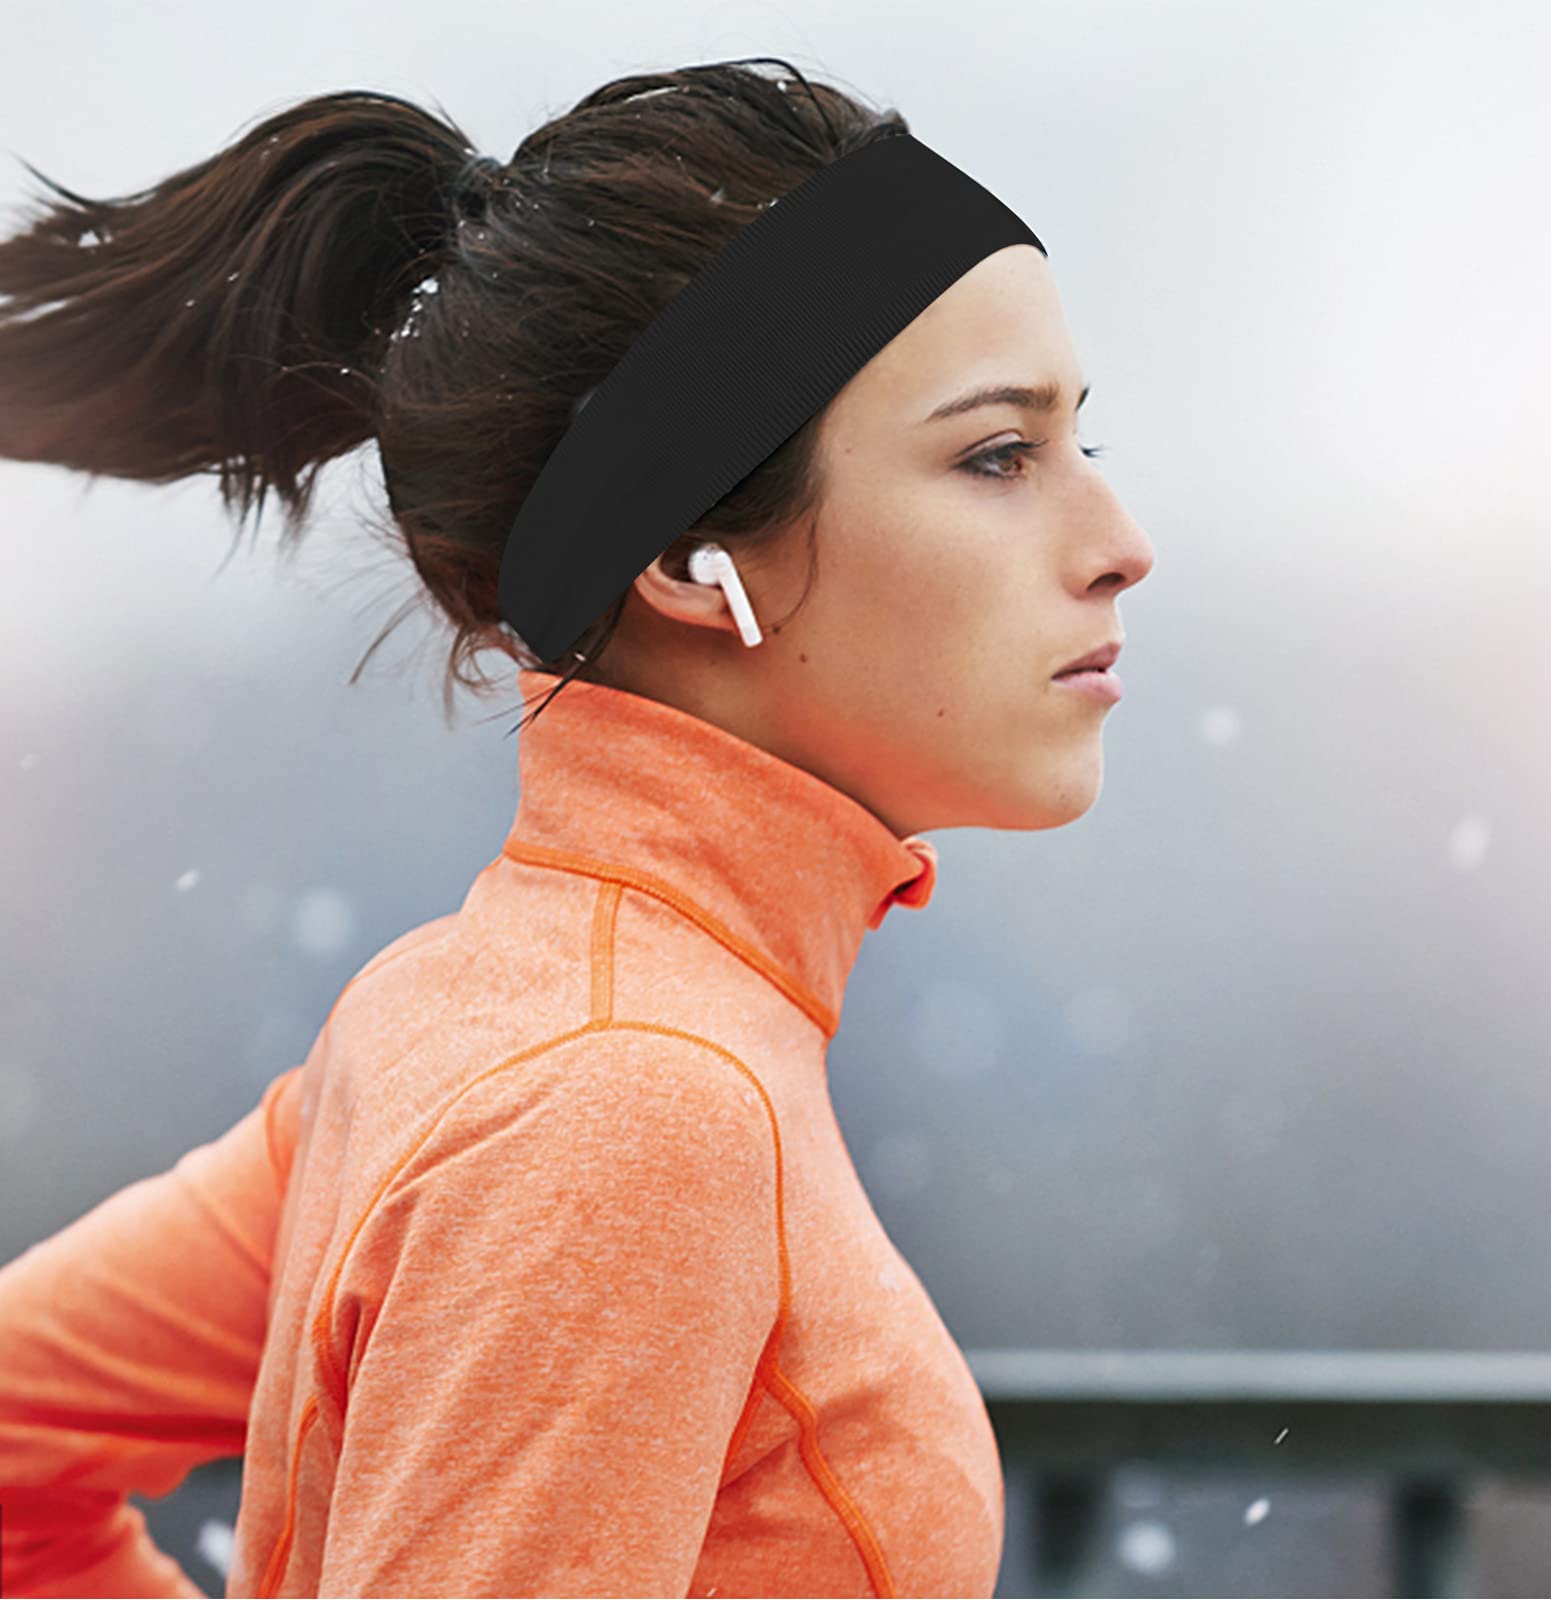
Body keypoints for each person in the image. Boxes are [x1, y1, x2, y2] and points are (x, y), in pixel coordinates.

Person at [0, 57, 1154, 1598]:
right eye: (996, 456)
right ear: (690, 561)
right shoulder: (624, 1105)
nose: (1118, 545)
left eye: (1082, 442)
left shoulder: (466, 1014)